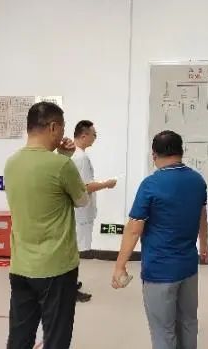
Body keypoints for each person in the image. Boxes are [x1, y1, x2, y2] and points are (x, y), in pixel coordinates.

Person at [111, 130, 208, 349]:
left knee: (163, 330)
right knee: (188, 323)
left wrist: (120, 266)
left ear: (154, 155)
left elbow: (134, 229)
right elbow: (202, 215)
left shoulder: (151, 184)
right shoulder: (197, 181)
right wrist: (204, 245)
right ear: (181, 151)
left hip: (159, 271)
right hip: (188, 268)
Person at [4, 102, 89, 349]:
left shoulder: (11, 163)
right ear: (53, 127)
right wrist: (64, 158)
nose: (63, 135)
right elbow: (82, 200)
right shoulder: (61, 165)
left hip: (21, 266)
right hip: (56, 267)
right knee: (56, 337)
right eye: (61, 128)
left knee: (20, 336)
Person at [71, 120, 117, 302]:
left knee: (73, 250)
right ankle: (69, 288)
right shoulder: (80, 157)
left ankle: (70, 284)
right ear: (84, 135)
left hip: (77, 210)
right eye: (94, 135)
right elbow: (86, 186)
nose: (95, 138)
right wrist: (107, 184)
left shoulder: (75, 154)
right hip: (79, 212)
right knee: (73, 252)